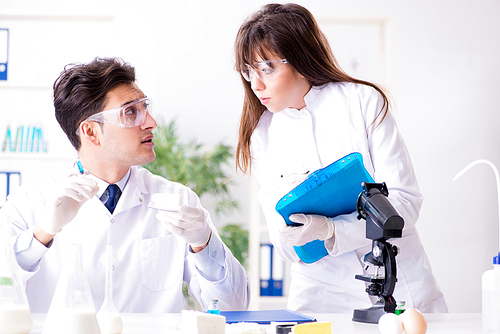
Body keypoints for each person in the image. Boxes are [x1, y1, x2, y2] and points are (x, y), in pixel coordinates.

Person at [234, 3, 447, 313]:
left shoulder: (362, 102)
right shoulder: (263, 136)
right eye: (248, 71)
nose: (256, 84)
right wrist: (296, 235)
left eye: (267, 68)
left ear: (301, 59)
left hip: (399, 283)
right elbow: (283, 244)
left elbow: (405, 202)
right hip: (321, 295)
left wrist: (333, 231)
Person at [0, 57, 250, 313]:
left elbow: (236, 307)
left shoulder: (177, 199)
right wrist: (43, 234)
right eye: (131, 111)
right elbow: (4, 290)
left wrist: (203, 242)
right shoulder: (27, 203)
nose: (151, 122)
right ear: (90, 132)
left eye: (145, 108)